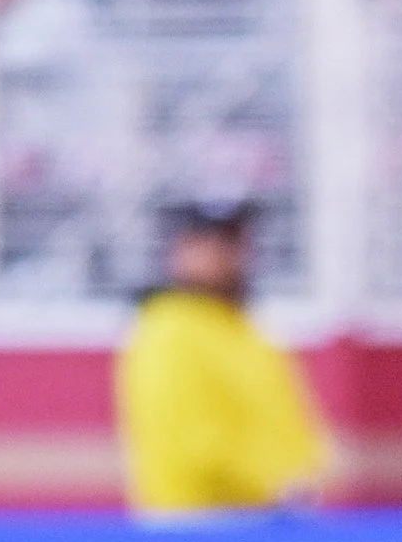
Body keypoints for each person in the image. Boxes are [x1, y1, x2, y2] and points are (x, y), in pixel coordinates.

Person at [115, 199, 330, 516]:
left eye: (234, 243)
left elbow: (282, 419)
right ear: (181, 252)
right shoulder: (169, 330)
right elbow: (193, 439)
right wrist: (275, 485)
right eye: (211, 244)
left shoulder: (242, 329)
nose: (228, 257)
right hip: (199, 522)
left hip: (264, 518)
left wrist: (305, 474)